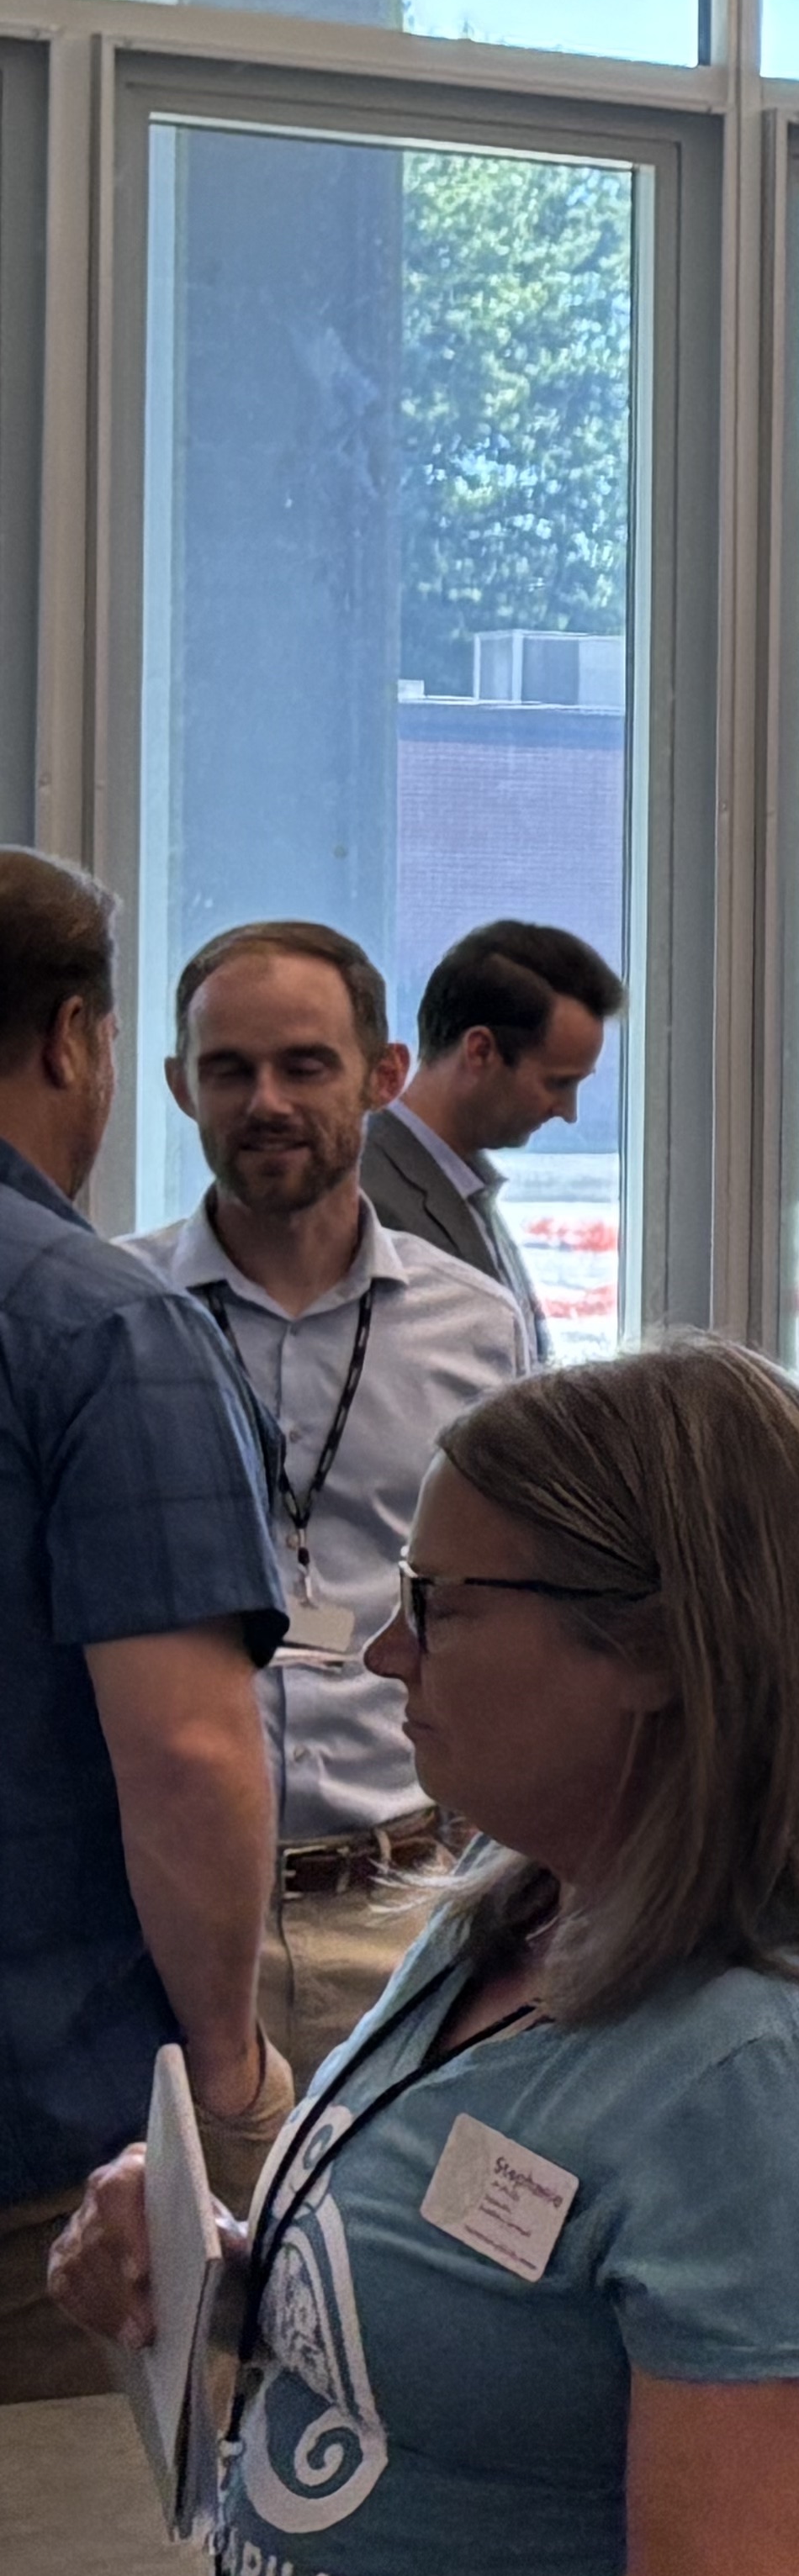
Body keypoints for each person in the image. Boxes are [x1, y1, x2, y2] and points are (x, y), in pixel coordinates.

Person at [13, 1336, 799, 2576]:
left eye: (445, 1601)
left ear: (665, 1645)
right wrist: (228, 2274)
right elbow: (505, 2323)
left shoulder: (792, 2067)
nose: (390, 1650)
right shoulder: (519, 1907)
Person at [135, 923, 527, 2082]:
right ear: (178, 1087)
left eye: (305, 1065)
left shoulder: (478, 1328)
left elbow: (512, 1614)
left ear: (383, 1077)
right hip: (175, 1926)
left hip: (411, 1912)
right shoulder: (117, 1322)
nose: (265, 1101)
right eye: (228, 1070)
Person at [0, 849, 285, 2405]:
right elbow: (184, 1748)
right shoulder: (101, 1327)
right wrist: (233, 2078)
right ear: (77, 1043)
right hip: (43, 2150)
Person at [363, 921, 621, 1365]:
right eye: (557, 1083)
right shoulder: (366, 1200)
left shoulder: (462, 1186)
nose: (568, 1111)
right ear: (480, 1050)